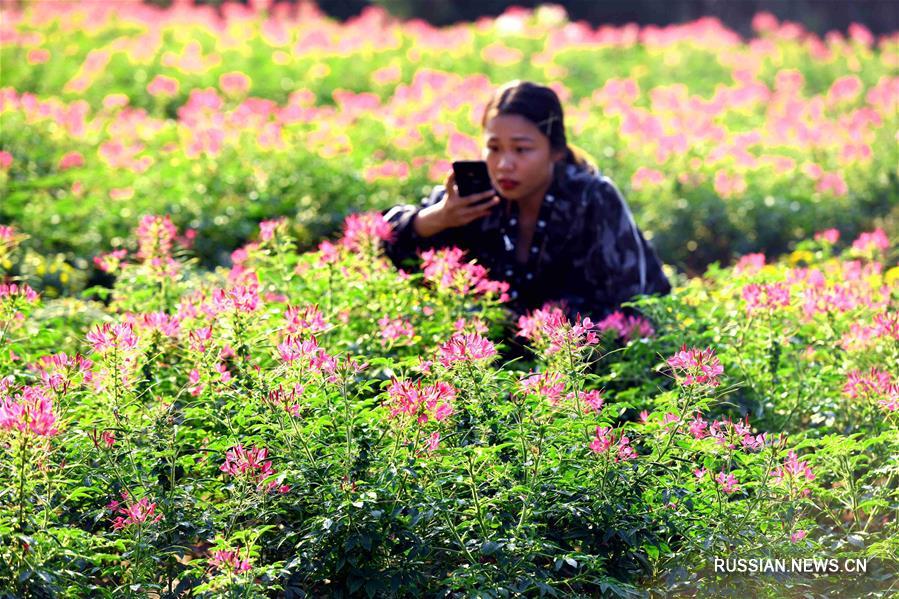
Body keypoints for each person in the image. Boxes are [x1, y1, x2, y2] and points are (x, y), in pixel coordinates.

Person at [381, 80, 671, 322]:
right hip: (495, 367)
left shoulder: (591, 198)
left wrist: (547, 336)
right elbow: (380, 240)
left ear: (555, 150)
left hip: (588, 364)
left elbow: (634, 304)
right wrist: (439, 218)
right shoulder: (472, 196)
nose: (504, 164)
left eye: (522, 149)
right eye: (494, 148)